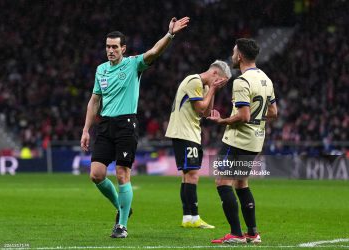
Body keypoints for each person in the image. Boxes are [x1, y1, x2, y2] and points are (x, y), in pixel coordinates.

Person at [80, 17, 190, 238]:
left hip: (125, 125)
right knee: (96, 174)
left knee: (122, 174)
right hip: (105, 126)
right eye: (108, 46)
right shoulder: (100, 70)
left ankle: (121, 225)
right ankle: (123, 208)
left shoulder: (132, 64)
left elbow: (154, 52)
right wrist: (85, 129)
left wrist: (170, 35)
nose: (110, 50)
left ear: (123, 48)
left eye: (114, 47)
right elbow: (94, 101)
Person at [208, 38, 277, 244]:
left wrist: (222, 120)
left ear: (239, 56)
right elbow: (273, 112)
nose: (232, 56)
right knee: (241, 183)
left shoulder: (241, 81)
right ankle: (253, 233)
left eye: (233, 52)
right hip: (256, 140)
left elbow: (244, 115)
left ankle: (236, 234)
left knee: (222, 181)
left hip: (237, 140)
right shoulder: (266, 79)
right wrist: (257, 119)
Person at [165, 60, 231, 229]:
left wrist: (212, 90)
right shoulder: (194, 80)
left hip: (190, 132)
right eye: (221, 81)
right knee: (193, 174)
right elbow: (201, 109)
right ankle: (194, 217)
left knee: (188, 175)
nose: (221, 85)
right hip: (184, 132)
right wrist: (213, 89)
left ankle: (188, 217)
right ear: (215, 73)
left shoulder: (205, 87)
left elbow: (207, 112)